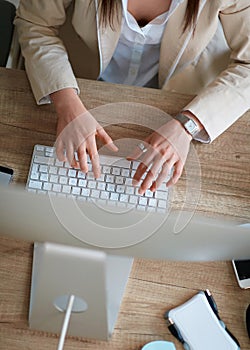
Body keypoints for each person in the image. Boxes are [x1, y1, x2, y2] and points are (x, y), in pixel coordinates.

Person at [14, 0, 250, 194]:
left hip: (175, 95)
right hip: (77, 82)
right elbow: (35, 24)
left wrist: (189, 125)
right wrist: (66, 102)